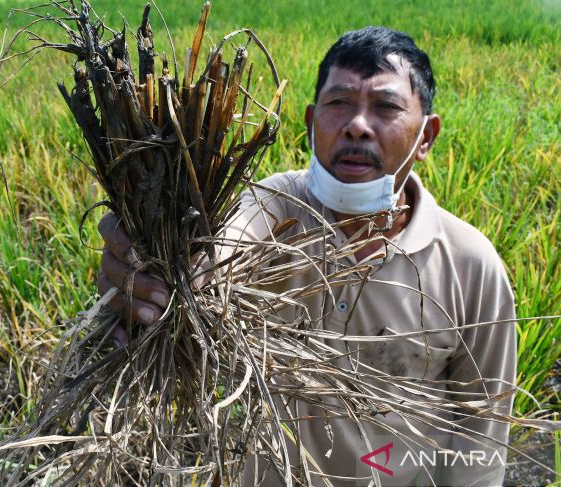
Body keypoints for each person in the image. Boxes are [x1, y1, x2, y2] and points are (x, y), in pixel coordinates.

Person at [98, 26, 516, 486]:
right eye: (339, 104)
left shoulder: (471, 265)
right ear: (311, 120)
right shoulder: (272, 206)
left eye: (386, 106)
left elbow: (481, 437)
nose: (357, 125)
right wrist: (161, 273)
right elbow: (213, 254)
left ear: (426, 136)